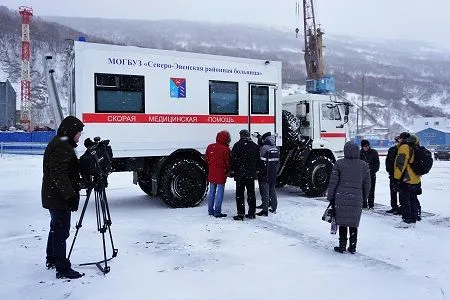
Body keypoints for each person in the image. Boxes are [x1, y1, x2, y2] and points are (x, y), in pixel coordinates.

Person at [42, 116, 85, 279]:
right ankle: (62, 268)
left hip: (53, 195)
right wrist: (70, 196)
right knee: (61, 232)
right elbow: (58, 174)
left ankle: (52, 258)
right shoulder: (62, 146)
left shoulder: (60, 142)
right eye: (78, 134)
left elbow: (64, 170)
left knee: (56, 228)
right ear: (72, 132)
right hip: (58, 197)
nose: (79, 137)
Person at [327, 141, 371, 254]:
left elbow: (333, 182)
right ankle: (353, 247)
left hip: (340, 197)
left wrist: (330, 196)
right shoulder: (364, 165)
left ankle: (342, 246)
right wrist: (364, 197)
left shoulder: (339, 164)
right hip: (357, 198)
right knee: (353, 223)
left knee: (342, 222)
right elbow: (367, 184)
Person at [231, 129, 260, 220]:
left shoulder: (237, 145)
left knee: (240, 194)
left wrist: (234, 171)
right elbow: (258, 160)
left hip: (240, 174)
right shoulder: (255, 146)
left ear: (241, 136)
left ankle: (241, 214)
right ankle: (252, 213)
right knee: (251, 193)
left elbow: (233, 160)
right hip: (250, 174)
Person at [393, 132, 422, 227]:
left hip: (406, 179)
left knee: (405, 200)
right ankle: (413, 218)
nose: (398, 140)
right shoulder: (414, 146)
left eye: (400, 138)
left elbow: (400, 164)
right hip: (415, 178)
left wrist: (396, 178)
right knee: (412, 199)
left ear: (403, 139)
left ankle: (407, 220)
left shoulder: (404, 147)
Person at [205, 130, 231, 218]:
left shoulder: (210, 147)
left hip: (212, 172)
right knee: (220, 193)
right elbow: (227, 162)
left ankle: (210, 210)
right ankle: (217, 212)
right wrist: (227, 170)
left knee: (212, 192)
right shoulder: (226, 149)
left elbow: (207, 159)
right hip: (221, 173)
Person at [256, 134, 280, 216]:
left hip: (265, 173)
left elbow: (261, 162)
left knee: (265, 191)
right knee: (272, 190)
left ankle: (265, 210)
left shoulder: (264, 148)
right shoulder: (275, 148)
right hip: (273, 173)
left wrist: (259, 171)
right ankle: (274, 207)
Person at [360, 139, 380, 209]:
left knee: (371, 189)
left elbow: (377, 164)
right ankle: (363, 203)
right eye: (365, 146)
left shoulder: (374, 152)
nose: (366, 147)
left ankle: (371, 204)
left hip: (371, 174)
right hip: (362, 175)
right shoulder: (360, 153)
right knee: (363, 189)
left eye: (367, 146)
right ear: (362, 146)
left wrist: (371, 169)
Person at [385, 137, 401, 214]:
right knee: (393, 191)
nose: (398, 143)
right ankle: (394, 207)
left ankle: (401, 208)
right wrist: (389, 170)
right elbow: (387, 161)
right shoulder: (392, 150)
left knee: (401, 192)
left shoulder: (404, 150)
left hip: (402, 175)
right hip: (392, 174)